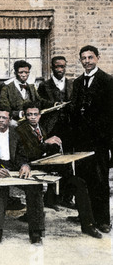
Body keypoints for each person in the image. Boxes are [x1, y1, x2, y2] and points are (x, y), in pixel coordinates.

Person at [16, 102, 102, 239]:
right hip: (31, 169)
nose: (32, 117)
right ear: (25, 116)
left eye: (35, 114)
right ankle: (36, 229)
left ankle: (88, 225)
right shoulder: (20, 131)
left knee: (78, 183)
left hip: (47, 168)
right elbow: (28, 153)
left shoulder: (42, 128)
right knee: (35, 189)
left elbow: (45, 151)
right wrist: (46, 144)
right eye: (29, 115)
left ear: (40, 115)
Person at [0, 107, 45, 245]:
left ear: (9, 120)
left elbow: (22, 155)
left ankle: (35, 231)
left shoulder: (17, 135)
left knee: (34, 189)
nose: (1, 120)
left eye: (4, 118)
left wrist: (24, 165)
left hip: (14, 168)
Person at [70, 45, 113, 233]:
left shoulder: (108, 81)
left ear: (98, 58)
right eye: (83, 58)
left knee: (100, 180)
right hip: (80, 141)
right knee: (82, 180)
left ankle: (103, 220)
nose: (87, 61)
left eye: (90, 57)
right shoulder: (78, 82)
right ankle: (85, 216)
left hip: (99, 142)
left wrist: (106, 140)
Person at [37, 56, 74, 146]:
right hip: (51, 126)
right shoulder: (44, 85)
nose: (59, 69)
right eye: (57, 67)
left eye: (62, 67)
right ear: (52, 67)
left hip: (69, 125)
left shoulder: (72, 84)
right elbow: (40, 103)